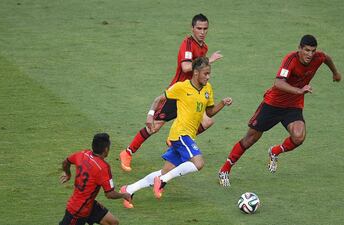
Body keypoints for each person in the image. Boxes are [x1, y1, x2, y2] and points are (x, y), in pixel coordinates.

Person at [218, 34, 342, 187]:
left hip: (293, 106)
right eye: (307, 50)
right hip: (273, 105)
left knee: (298, 137)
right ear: (299, 49)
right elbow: (278, 82)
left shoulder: (318, 57)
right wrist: (299, 91)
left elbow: (327, 58)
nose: (310, 54)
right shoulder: (291, 60)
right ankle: (225, 169)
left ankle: (275, 151)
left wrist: (335, 73)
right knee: (251, 139)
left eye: (313, 51)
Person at [119, 57, 232, 208]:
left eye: (209, 73)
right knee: (198, 163)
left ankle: (129, 189)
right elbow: (158, 99)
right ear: (196, 73)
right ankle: (163, 181)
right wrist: (150, 115)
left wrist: (222, 103)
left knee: (164, 171)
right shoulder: (181, 87)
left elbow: (209, 112)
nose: (208, 76)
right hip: (180, 134)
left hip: (188, 135)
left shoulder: (207, 89)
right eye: (205, 73)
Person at [119, 13, 223, 172]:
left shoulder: (204, 47)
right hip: (178, 93)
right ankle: (127, 152)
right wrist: (211, 60)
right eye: (199, 28)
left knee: (207, 121)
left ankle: (175, 141)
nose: (202, 32)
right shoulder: (187, 44)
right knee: (155, 126)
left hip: (193, 94)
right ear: (192, 28)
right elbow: (186, 67)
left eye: (205, 29)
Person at [59, 133, 132, 225]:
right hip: (77, 212)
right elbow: (109, 194)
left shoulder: (82, 154)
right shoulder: (103, 167)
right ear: (106, 149)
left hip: (89, 205)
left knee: (113, 223)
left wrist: (68, 174)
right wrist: (123, 195)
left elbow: (66, 162)